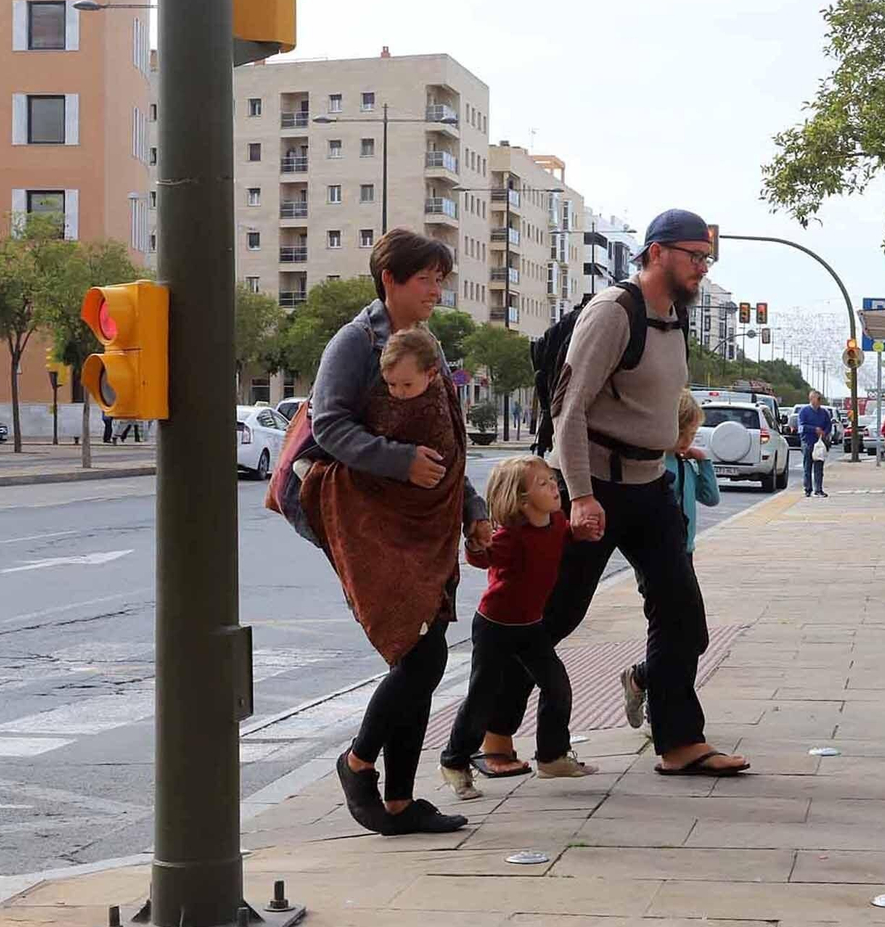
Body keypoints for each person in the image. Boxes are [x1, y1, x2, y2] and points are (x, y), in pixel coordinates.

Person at [478, 208, 749, 779]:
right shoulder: (612, 313)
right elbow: (568, 409)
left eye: (707, 257)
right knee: (552, 615)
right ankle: (496, 734)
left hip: (650, 488)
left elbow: (651, 404)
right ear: (655, 253)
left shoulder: (674, 318)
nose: (702, 266)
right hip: (594, 486)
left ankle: (679, 742)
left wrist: (671, 443)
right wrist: (578, 496)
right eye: (693, 256)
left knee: (683, 616)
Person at [288, 230, 492, 836]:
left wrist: (472, 507)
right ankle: (357, 762)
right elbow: (328, 425)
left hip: (427, 521)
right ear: (391, 281)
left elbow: (446, 440)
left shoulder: (425, 343)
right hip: (371, 519)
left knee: (423, 655)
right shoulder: (354, 342)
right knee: (420, 653)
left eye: (440, 279)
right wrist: (397, 461)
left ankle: (400, 801)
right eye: (425, 279)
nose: (436, 290)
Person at [439, 455, 598, 800]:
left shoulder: (556, 523)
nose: (555, 488)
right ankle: (454, 761)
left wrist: (580, 532)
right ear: (521, 499)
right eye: (543, 484)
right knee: (482, 698)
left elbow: (563, 537)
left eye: (553, 481)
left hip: (531, 626)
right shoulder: (510, 536)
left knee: (557, 686)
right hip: (495, 626)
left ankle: (552, 756)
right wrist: (475, 543)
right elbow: (482, 558)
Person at [621, 390, 719, 730]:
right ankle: (658, 703)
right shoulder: (654, 465)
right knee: (673, 632)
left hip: (684, 554)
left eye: (692, 435)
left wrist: (702, 460)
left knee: (694, 637)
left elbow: (711, 497)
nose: (686, 441)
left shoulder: (685, 463)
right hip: (657, 556)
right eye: (683, 434)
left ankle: (643, 679)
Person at [794, 389, 832, 498]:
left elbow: (828, 425)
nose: (819, 400)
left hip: (820, 443)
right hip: (808, 442)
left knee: (819, 467)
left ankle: (818, 489)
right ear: (811, 399)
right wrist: (814, 429)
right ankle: (808, 489)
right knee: (807, 466)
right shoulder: (804, 411)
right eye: (817, 398)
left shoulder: (824, 412)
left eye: (820, 398)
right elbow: (801, 426)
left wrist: (825, 432)